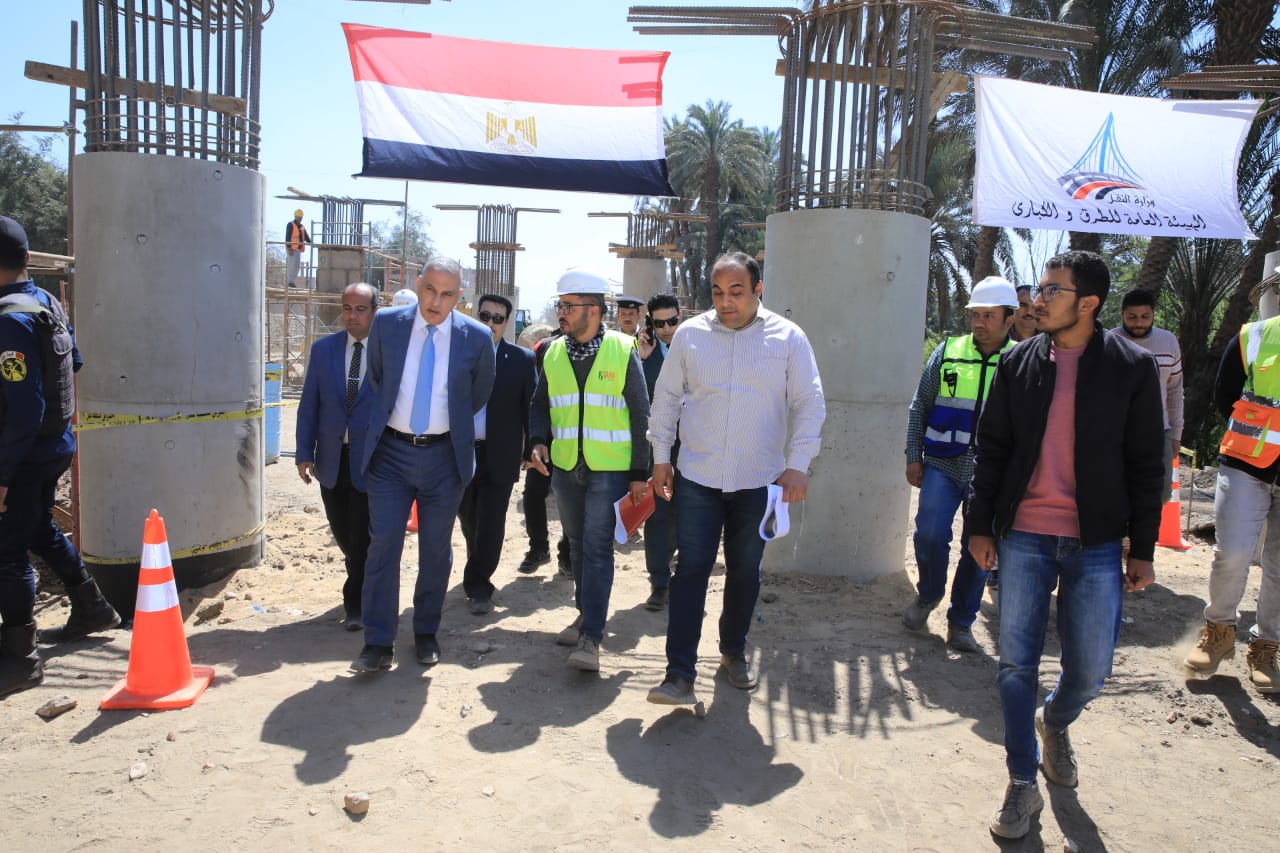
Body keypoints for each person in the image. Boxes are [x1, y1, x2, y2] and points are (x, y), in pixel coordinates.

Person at [967, 250, 1163, 839]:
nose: (1038, 300)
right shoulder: (1018, 362)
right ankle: (1021, 782)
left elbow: (1145, 464)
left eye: (1054, 291)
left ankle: (1054, 721)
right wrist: (979, 525)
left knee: (1091, 671)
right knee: (1014, 664)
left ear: (1089, 303)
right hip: (1024, 535)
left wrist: (1143, 548)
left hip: (1096, 542)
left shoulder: (1131, 367)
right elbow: (993, 448)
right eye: (1040, 288)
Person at [646, 252, 826, 705]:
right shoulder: (690, 335)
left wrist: (798, 463)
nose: (726, 302)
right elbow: (666, 399)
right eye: (718, 292)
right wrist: (661, 457)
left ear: (758, 290)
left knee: (745, 571)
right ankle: (679, 674)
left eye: (737, 292)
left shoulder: (788, 338)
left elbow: (809, 402)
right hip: (697, 478)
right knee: (691, 570)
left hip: (759, 482)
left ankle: (733, 652)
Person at [350, 257, 496, 673]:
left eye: (447, 294)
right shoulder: (387, 324)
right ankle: (378, 642)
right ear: (418, 284)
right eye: (430, 289)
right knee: (383, 545)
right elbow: (378, 378)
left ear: (459, 297)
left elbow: (478, 394)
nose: (435, 301)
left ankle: (426, 631)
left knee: (435, 548)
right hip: (391, 455)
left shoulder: (477, 337)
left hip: (444, 458)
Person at [0, 217, 120, 697]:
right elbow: (75, 362)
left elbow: (24, 409)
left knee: (7, 550)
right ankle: (92, 607)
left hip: (25, 454)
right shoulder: (45, 302)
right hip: (55, 444)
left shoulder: (10, 320)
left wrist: (3, 474)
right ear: (28, 258)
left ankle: (20, 660)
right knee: (38, 529)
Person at [528, 268, 650, 672]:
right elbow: (539, 403)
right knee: (578, 545)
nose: (561, 312)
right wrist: (537, 440)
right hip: (566, 467)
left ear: (594, 310)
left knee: (597, 548)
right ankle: (585, 615)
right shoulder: (553, 352)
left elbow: (640, 413)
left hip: (609, 469)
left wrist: (639, 471)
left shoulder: (621, 349)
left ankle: (592, 638)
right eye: (560, 305)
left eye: (568, 306)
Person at [902, 276, 1017, 653]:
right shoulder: (948, 351)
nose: (980, 322)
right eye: (976, 314)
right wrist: (913, 456)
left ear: (1010, 319)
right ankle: (928, 595)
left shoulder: (1021, 361)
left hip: (992, 474)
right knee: (929, 534)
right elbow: (920, 406)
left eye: (989, 315)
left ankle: (962, 621)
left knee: (980, 548)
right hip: (942, 462)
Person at [1184, 311, 1280, 694]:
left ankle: (1266, 647)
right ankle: (1219, 631)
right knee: (1233, 553)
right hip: (1246, 462)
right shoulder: (1254, 336)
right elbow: (1226, 395)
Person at [296, 282, 379, 631]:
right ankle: (361, 580)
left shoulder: (387, 354)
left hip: (370, 461)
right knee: (342, 530)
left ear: (374, 311)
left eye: (360, 309)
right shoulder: (324, 350)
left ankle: (356, 604)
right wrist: (304, 453)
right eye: (347, 308)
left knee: (361, 535)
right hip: (330, 460)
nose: (352, 316)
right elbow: (309, 405)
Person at [458, 294, 536, 614]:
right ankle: (476, 564)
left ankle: (479, 585)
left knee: (491, 522)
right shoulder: (458, 355)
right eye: (485, 316)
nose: (490, 323)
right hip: (462, 454)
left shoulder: (521, 360)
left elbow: (531, 407)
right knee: (469, 519)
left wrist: (531, 448)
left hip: (500, 455)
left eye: (498, 318)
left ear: (506, 323)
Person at [1109, 289, 1184, 503]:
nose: (1139, 323)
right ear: (1122, 314)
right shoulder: (1108, 341)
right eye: (1132, 317)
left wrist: (1177, 433)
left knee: (1161, 493)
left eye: (1145, 317)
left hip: (1159, 430)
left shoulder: (1168, 341)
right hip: (1117, 432)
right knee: (1116, 490)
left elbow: (1175, 390)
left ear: (1153, 314)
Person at [636, 291, 682, 610]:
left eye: (672, 321)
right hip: (657, 448)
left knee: (688, 515)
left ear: (681, 317)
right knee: (658, 516)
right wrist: (642, 359)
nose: (667, 329)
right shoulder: (643, 355)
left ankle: (681, 577)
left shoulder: (698, 347)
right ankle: (659, 582)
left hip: (695, 447)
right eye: (659, 324)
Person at [515, 330, 571, 578]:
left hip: (575, 440)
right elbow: (533, 397)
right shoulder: (545, 348)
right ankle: (538, 548)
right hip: (544, 438)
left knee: (570, 499)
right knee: (533, 493)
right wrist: (531, 443)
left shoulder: (594, 349)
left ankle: (568, 555)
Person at [285, 209, 312, 287]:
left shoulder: (302, 227)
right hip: (291, 249)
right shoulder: (290, 224)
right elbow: (287, 236)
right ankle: (290, 282)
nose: (300, 219)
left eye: (301, 217)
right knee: (291, 266)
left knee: (297, 266)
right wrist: (289, 247)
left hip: (298, 250)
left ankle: (292, 282)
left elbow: (306, 237)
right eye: (299, 217)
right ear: (295, 216)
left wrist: (312, 243)